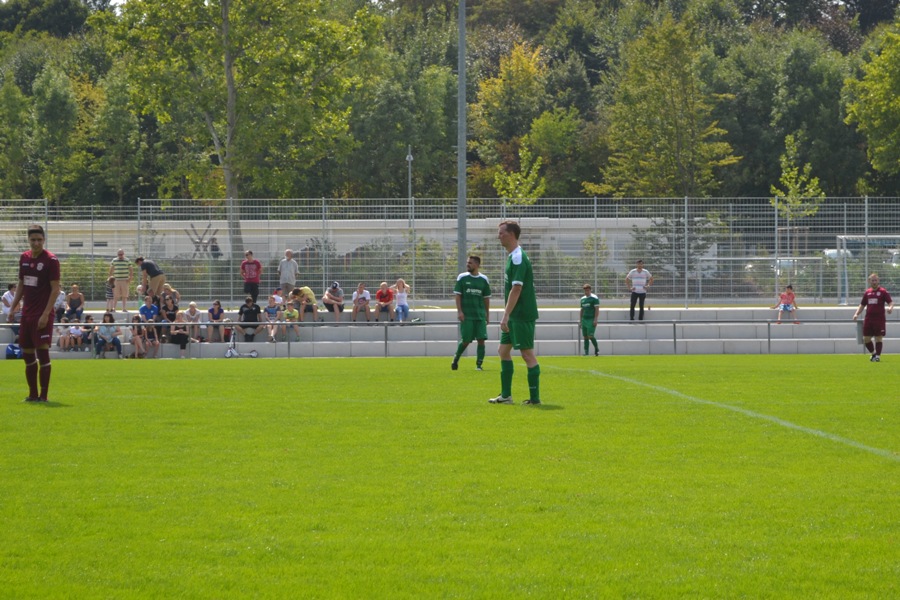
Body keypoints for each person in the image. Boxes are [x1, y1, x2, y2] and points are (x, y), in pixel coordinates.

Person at [490, 221, 541, 405]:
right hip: (514, 315)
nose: (498, 236)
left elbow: (517, 289)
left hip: (521, 315)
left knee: (527, 355)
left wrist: (505, 315)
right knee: (503, 351)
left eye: (501, 233)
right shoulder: (512, 256)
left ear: (511, 234)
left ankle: (535, 399)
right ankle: (506, 396)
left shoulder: (518, 257)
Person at [8, 224, 60, 402]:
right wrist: (13, 307)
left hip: (42, 314)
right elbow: (21, 283)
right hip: (27, 314)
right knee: (27, 354)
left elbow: (55, 289)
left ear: (44, 240)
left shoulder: (51, 260)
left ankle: (43, 396)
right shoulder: (24, 257)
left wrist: (46, 314)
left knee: (42, 354)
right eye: (33, 240)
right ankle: (32, 395)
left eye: (39, 239)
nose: (36, 243)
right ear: (28, 240)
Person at [451, 255, 491, 371]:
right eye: (467, 263)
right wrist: (460, 311)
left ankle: (479, 365)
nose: (468, 265)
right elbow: (458, 295)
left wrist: (487, 314)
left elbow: (486, 298)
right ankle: (456, 358)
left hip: (479, 315)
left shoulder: (484, 279)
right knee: (466, 341)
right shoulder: (462, 278)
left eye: (470, 263)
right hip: (467, 315)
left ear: (477, 265)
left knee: (481, 339)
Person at [852, 273, 894, 362]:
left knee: (878, 338)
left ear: (878, 281)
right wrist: (856, 314)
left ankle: (877, 356)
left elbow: (890, 302)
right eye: (872, 280)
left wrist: (890, 308)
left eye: (876, 280)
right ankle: (874, 353)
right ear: (869, 281)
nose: (874, 282)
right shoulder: (867, 292)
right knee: (866, 339)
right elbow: (862, 305)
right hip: (869, 319)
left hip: (879, 319)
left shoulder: (883, 291)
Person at [580, 284, 601, 356]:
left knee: (590, 336)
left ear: (590, 290)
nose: (586, 292)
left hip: (591, 319)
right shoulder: (582, 299)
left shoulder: (594, 298)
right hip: (584, 319)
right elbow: (582, 310)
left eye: (588, 290)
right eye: (585, 290)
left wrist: (595, 319)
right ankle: (586, 353)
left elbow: (597, 309)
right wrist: (581, 320)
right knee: (585, 336)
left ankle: (596, 349)